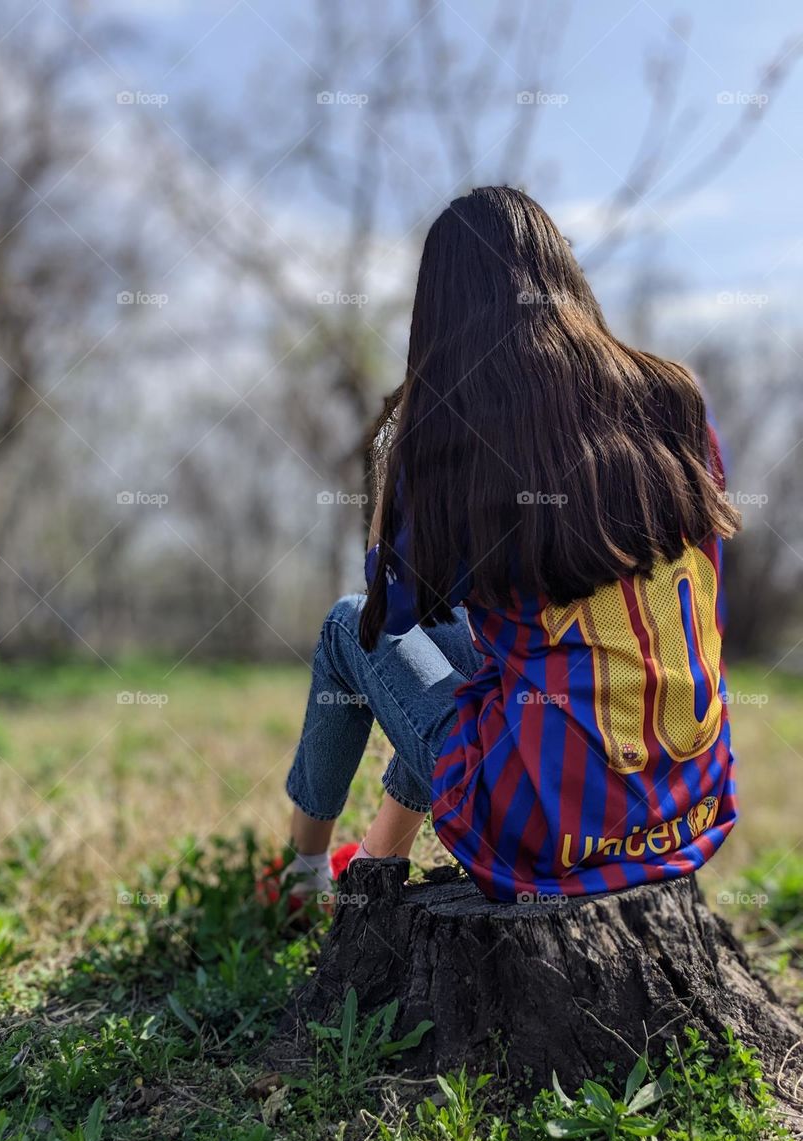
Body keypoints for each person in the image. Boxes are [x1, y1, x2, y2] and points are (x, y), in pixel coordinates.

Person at [276, 185, 740, 911]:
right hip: (685, 805)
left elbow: (389, 611)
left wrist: (394, 454)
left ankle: (298, 880)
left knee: (344, 626)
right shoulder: (677, 398)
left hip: (549, 830)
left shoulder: (464, 437)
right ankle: (370, 861)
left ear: (442, 314)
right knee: (496, 660)